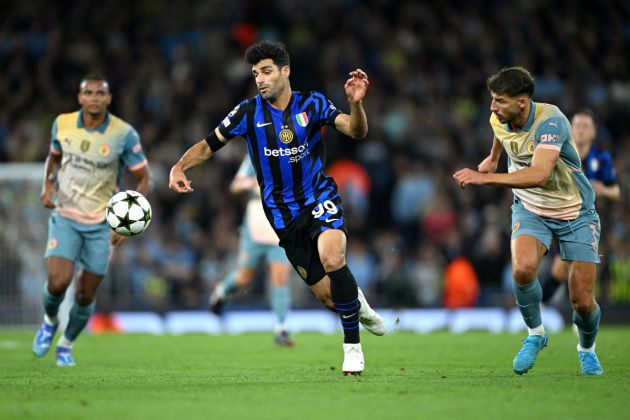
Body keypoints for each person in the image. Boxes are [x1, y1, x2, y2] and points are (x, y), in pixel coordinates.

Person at [169, 40, 385, 375]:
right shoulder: (246, 112)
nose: (260, 79)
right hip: (283, 218)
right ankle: (358, 305)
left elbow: (356, 131)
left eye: (267, 71)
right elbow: (208, 144)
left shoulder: (312, 104)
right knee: (329, 298)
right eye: (256, 73)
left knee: (333, 257)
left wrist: (356, 105)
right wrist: (179, 166)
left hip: (318, 197)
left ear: (285, 71)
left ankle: (352, 348)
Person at [453, 67, 604, 376]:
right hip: (531, 209)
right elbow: (500, 131)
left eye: (500, 101)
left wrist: (485, 178)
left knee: (583, 302)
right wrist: (494, 157)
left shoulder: (551, 122)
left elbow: (539, 175)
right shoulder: (499, 116)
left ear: (522, 103)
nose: (493, 107)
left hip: (574, 211)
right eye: (492, 100)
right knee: (522, 270)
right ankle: (536, 334)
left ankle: (586, 349)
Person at [33, 74, 151, 367]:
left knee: (86, 294)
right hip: (66, 215)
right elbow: (54, 157)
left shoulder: (124, 134)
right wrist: (47, 186)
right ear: (80, 97)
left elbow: (143, 177)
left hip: (101, 223)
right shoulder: (63, 123)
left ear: (109, 99)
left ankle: (66, 344)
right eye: (89, 92)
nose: (95, 97)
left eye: (101, 93)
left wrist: (127, 224)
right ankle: (49, 321)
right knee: (58, 282)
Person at [209, 156, 295, 347]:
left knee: (279, 278)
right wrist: (254, 184)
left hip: (280, 228)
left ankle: (281, 328)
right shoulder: (255, 156)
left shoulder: (295, 155)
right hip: (256, 226)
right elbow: (235, 186)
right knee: (243, 277)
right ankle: (221, 292)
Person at [540, 108, 619, 302]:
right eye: (577, 125)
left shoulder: (601, 159)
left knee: (576, 267)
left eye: (586, 126)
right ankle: (543, 306)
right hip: (565, 222)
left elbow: (616, 192)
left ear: (593, 132)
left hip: (593, 223)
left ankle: (580, 311)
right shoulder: (559, 157)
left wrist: (603, 190)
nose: (581, 130)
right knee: (562, 269)